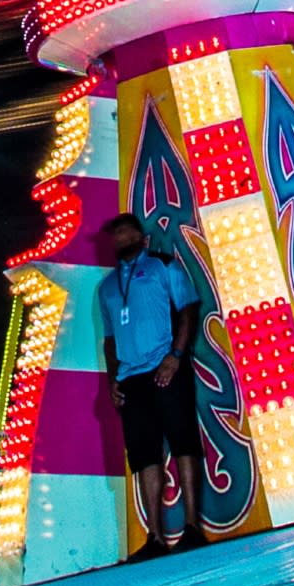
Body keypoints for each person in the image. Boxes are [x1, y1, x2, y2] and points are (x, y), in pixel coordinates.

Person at [92, 213, 210, 555]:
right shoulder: (107, 288)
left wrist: (176, 355)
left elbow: (188, 309)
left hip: (166, 368)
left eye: (127, 231)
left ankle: (192, 528)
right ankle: (155, 537)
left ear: (141, 237)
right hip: (131, 379)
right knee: (144, 456)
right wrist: (114, 378)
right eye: (115, 234)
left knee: (184, 441)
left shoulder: (163, 265)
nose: (120, 237)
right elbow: (110, 339)